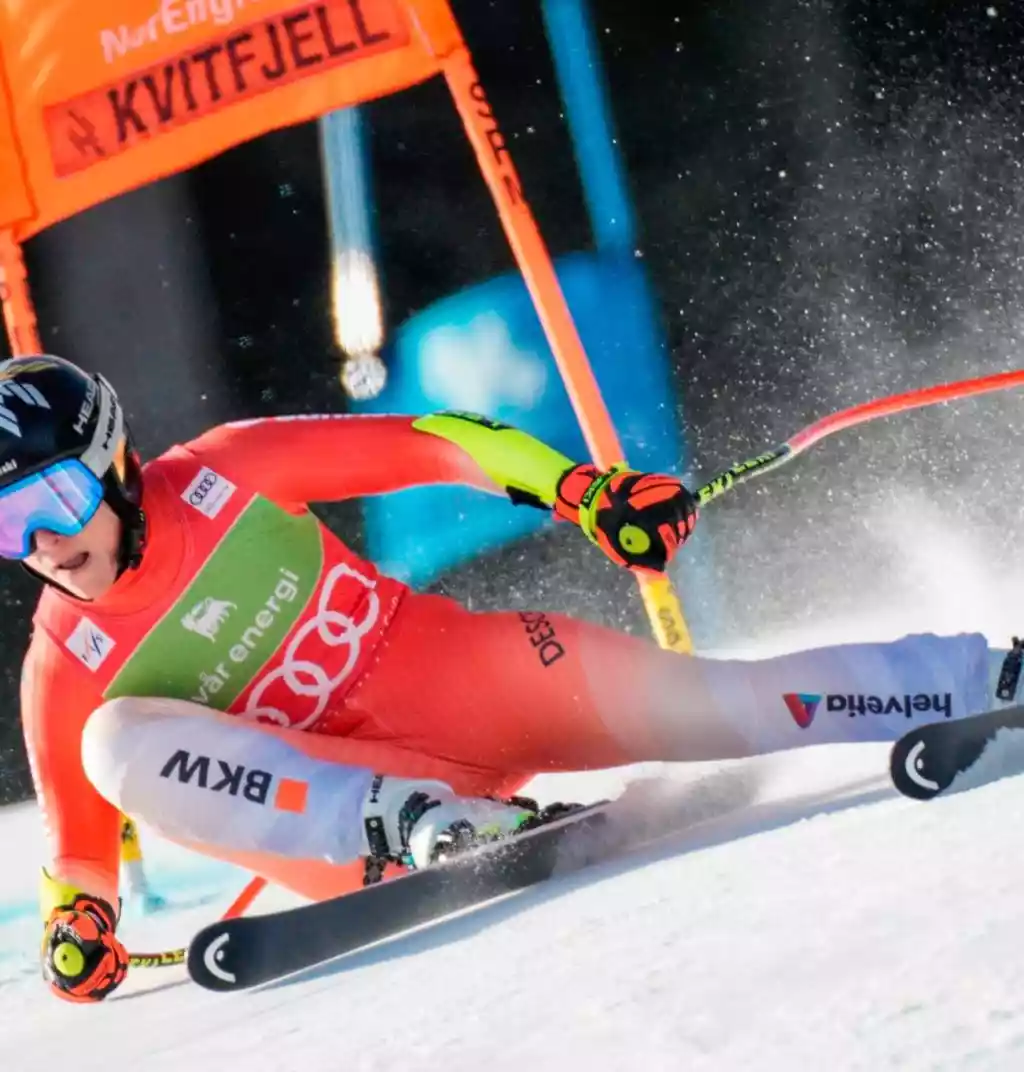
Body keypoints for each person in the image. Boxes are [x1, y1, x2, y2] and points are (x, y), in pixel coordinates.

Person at [0, 355, 1013, 1005]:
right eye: (5, 524)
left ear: (114, 462)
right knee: (112, 744)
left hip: (465, 683)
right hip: (355, 834)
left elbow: (436, 443)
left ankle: (982, 676)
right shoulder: (64, 660)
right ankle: (432, 827)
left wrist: (586, 493)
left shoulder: (227, 471)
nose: (40, 542)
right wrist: (76, 931)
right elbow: (77, 856)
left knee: (731, 705)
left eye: (51, 499)